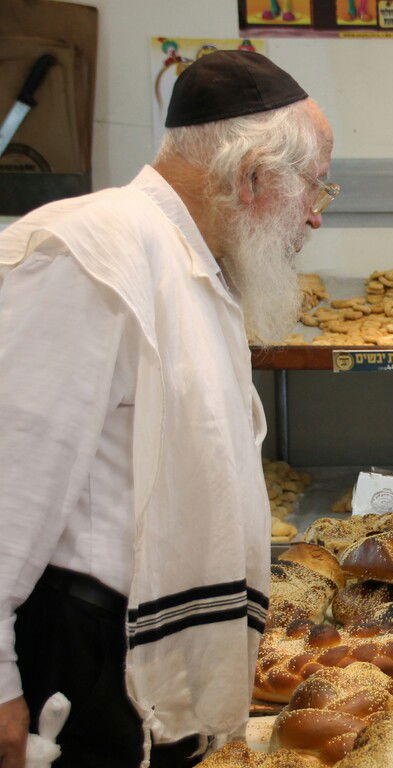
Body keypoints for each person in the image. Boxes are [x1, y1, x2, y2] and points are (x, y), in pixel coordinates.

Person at [0, 51, 335, 767]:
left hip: (143, 672)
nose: (314, 214)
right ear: (250, 175)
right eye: (314, 187)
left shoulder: (197, 266)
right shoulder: (87, 252)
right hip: (79, 668)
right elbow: (8, 479)